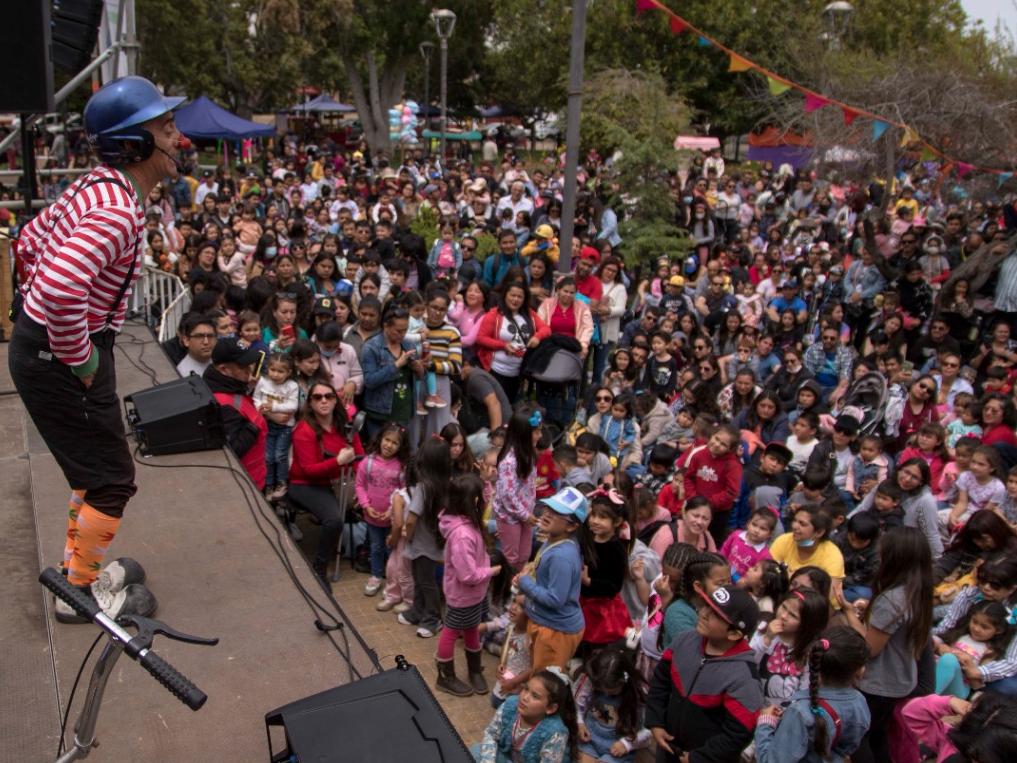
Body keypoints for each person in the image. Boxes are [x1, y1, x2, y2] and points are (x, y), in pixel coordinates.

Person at [9, 76, 186, 619]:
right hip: (61, 357)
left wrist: (48, 324)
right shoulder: (114, 210)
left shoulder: (99, 186)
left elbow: (28, 243)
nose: (178, 138)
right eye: (166, 127)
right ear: (135, 144)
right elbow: (61, 287)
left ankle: (76, 571)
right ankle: (78, 595)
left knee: (92, 475)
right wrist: (80, 357)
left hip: (48, 348)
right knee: (112, 481)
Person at [837, 527, 934, 763]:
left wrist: (849, 614)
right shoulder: (917, 591)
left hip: (879, 685)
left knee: (860, 740)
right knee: (879, 737)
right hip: (900, 679)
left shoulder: (892, 600)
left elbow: (869, 649)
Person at [646, 585, 764, 763]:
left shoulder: (744, 678)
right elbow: (660, 681)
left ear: (734, 634)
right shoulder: (685, 640)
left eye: (715, 614)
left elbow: (738, 733)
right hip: (668, 749)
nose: (703, 613)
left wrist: (699, 757)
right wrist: (655, 721)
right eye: (706, 605)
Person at [754, 626, 872, 763]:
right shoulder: (860, 702)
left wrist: (766, 723)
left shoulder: (800, 712)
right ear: (859, 670)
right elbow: (844, 749)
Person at [287, 380, 363, 585]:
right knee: (334, 520)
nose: (323, 401)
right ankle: (319, 567)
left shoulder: (345, 423)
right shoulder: (304, 430)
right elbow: (309, 471)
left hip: (339, 482)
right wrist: (338, 462)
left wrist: (361, 487)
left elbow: (359, 454)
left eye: (328, 396)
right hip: (307, 484)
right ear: (310, 403)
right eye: (317, 397)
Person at [435, 473, 502, 697]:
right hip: (463, 593)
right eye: (481, 498)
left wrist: (487, 481)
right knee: (451, 631)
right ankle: (445, 676)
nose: (485, 501)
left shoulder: (465, 519)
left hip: (474, 593)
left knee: (472, 627)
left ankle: (474, 670)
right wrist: (491, 570)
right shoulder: (462, 534)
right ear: (473, 501)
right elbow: (468, 574)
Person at [515, 487, 588, 673]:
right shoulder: (554, 539)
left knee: (545, 679)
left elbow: (555, 599)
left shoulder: (562, 556)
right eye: (548, 509)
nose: (547, 515)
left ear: (571, 526)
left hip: (556, 631)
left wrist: (526, 583)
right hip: (545, 622)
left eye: (557, 513)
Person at [398, 437, 451, 639]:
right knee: (421, 579)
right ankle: (416, 611)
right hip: (434, 543)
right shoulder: (446, 484)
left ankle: (433, 618)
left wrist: (406, 534)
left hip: (421, 544)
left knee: (425, 582)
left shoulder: (422, 488)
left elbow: (411, 519)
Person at [204, 337, 269, 493]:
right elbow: (233, 450)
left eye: (249, 363)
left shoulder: (230, 385)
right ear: (224, 369)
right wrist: (254, 425)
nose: (249, 369)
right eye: (242, 366)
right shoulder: (222, 404)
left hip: (255, 479)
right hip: (247, 487)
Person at [476, 669, 578, 763]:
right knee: (476, 751)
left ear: (550, 708)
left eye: (535, 696)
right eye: (526, 689)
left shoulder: (556, 732)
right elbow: (491, 734)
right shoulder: (511, 704)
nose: (525, 697)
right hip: (508, 757)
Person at [354, 423, 408, 598]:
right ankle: (376, 575)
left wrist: (393, 511)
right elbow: (360, 485)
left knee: (392, 550)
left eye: (395, 443)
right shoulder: (367, 463)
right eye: (387, 440)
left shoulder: (401, 467)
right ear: (380, 439)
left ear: (400, 447)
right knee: (376, 547)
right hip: (372, 517)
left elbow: (404, 491)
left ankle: (392, 581)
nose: (389, 445)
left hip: (393, 520)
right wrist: (366, 506)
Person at [475, 281, 551, 401]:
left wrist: (537, 336)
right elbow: (481, 338)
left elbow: (546, 329)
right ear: (505, 295)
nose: (515, 299)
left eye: (519, 296)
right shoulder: (494, 314)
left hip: (517, 373)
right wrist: (503, 345)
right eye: (512, 295)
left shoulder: (530, 314)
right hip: (495, 371)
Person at [572, 648, 651, 761]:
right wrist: (579, 722)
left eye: (611, 690)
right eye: (600, 688)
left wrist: (627, 744)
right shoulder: (591, 680)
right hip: (590, 739)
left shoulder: (639, 693)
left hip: (618, 745)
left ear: (622, 682)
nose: (606, 693)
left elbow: (649, 730)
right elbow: (577, 705)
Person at [361, 306, 425, 440]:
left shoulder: (409, 345)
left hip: (404, 412)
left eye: (405, 330)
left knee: (401, 456)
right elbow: (370, 381)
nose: (402, 334)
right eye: (398, 331)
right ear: (386, 326)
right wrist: (396, 365)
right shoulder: (371, 347)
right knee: (379, 455)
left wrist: (419, 369)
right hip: (380, 414)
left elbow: (419, 377)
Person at [494, 407, 542, 571]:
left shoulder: (529, 454)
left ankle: (516, 586)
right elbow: (508, 495)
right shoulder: (508, 462)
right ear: (523, 434)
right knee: (510, 557)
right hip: (510, 516)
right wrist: (525, 515)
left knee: (524, 555)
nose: (540, 436)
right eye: (536, 432)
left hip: (526, 514)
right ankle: (504, 589)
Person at [253, 352, 300, 501]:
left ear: (289, 372)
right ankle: (268, 483)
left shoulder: (292, 386)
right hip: (267, 424)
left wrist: (272, 406)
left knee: (279, 456)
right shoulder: (263, 381)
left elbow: (293, 405)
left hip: (285, 427)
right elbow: (255, 398)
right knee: (267, 457)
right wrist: (262, 407)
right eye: (273, 370)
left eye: (281, 371)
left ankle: (281, 482)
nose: (276, 374)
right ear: (267, 368)